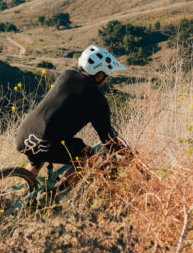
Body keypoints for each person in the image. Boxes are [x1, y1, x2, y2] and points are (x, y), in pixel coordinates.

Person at [15, 45, 125, 174]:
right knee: (89, 157)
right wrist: (126, 154)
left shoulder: (66, 75)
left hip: (23, 136)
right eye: (107, 76)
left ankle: (23, 190)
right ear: (100, 75)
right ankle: (57, 191)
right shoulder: (97, 101)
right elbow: (107, 140)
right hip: (46, 145)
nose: (106, 79)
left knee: (38, 160)